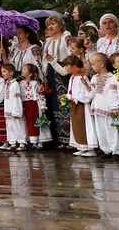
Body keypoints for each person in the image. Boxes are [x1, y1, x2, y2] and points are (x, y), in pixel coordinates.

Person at [42, 15, 72, 148]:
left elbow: (71, 56)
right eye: (48, 24)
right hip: (49, 71)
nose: (50, 26)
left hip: (62, 71)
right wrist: (44, 75)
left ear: (60, 25)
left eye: (53, 23)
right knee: (53, 103)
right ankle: (59, 138)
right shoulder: (47, 41)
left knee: (64, 103)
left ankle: (70, 138)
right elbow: (44, 59)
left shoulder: (67, 38)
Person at [63, 56, 97, 157]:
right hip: (74, 105)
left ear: (74, 67)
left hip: (82, 105)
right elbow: (71, 91)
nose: (65, 68)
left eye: (66, 66)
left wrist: (77, 99)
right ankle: (81, 147)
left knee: (84, 125)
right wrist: (67, 97)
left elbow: (88, 93)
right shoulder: (72, 78)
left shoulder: (82, 78)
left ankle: (90, 148)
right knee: (77, 126)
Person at [90, 52, 119, 158]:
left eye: (93, 64)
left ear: (101, 64)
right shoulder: (94, 78)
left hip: (108, 107)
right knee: (100, 130)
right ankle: (106, 149)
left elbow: (114, 93)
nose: (92, 66)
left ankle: (116, 151)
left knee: (111, 129)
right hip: (97, 106)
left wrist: (115, 106)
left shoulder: (111, 77)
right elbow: (92, 92)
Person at [20, 63, 51, 149]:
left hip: (35, 105)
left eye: (25, 69)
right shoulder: (21, 83)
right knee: (29, 123)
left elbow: (40, 95)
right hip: (26, 104)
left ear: (30, 74)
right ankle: (33, 142)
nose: (22, 71)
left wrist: (42, 106)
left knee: (37, 122)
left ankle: (40, 142)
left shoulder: (36, 83)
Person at [1, 63, 27, 151]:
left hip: (15, 109)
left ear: (11, 72)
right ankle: (12, 142)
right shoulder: (6, 84)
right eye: (2, 72)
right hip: (8, 108)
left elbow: (17, 98)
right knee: (10, 126)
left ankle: (22, 143)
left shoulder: (15, 84)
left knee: (18, 126)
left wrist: (16, 110)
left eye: (4, 71)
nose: (3, 73)